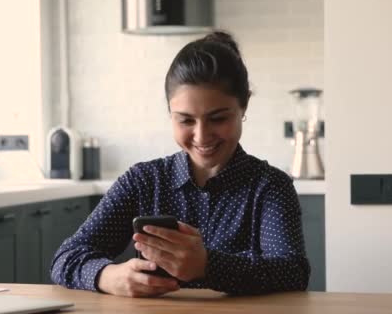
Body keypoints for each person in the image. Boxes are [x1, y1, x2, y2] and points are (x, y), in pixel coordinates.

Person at [50, 31, 310, 297]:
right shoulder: (143, 181)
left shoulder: (270, 186)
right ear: (170, 114)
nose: (201, 135)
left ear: (243, 107)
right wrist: (107, 276)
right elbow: (66, 258)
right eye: (186, 120)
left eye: (218, 118)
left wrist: (207, 266)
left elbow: (293, 272)